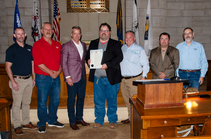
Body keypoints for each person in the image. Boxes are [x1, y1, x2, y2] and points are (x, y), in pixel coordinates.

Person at [86, 23, 123, 129]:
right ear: (99, 32)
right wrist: (88, 61)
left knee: (112, 100)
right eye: (102, 30)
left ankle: (112, 120)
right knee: (98, 100)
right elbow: (87, 56)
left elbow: (119, 57)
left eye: (106, 30)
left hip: (111, 78)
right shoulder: (93, 43)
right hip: (98, 78)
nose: (104, 32)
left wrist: (108, 65)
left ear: (110, 32)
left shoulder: (115, 44)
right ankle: (99, 120)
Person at [32, 22, 64, 133]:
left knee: (55, 100)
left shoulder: (57, 44)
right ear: (41, 31)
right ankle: (42, 123)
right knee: (42, 101)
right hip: (42, 78)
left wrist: (58, 72)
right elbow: (38, 63)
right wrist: (51, 72)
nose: (48, 31)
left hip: (56, 77)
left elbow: (62, 62)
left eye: (50, 29)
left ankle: (52, 120)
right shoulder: (37, 45)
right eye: (46, 29)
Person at [5, 27, 37, 135]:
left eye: (22, 34)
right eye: (18, 34)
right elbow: (7, 67)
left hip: (28, 79)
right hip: (17, 80)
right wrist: (13, 81)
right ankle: (17, 125)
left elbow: (32, 64)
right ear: (14, 36)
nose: (20, 36)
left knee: (27, 103)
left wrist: (34, 78)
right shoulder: (11, 50)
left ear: (25, 34)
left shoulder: (29, 48)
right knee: (17, 104)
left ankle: (26, 122)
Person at [61, 26, 90, 130]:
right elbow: (63, 63)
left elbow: (83, 59)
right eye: (75, 33)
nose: (77, 35)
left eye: (78, 33)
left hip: (82, 76)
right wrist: (67, 77)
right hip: (72, 77)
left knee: (81, 98)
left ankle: (79, 118)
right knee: (71, 100)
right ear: (71, 34)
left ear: (81, 34)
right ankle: (72, 121)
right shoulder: (66, 46)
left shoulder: (83, 45)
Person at [120, 31, 149, 124]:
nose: (128, 40)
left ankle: (136, 121)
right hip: (123, 80)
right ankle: (130, 118)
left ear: (134, 38)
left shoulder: (139, 49)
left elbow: (145, 64)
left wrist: (144, 76)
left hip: (134, 79)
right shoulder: (122, 48)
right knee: (127, 100)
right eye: (126, 38)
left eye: (130, 37)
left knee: (135, 101)